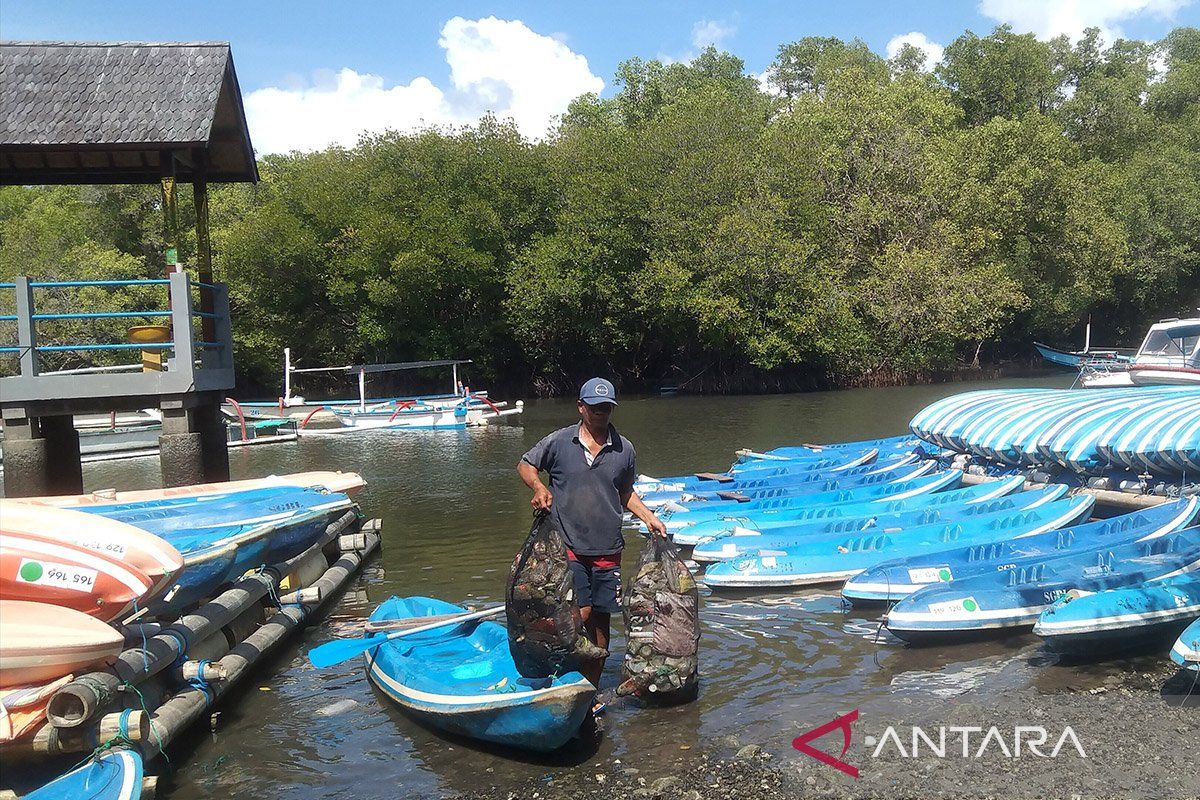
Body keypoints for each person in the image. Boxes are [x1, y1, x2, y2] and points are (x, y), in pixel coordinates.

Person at [517, 377, 668, 691]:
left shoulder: (624, 449)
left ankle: (591, 690)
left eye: (606, 407)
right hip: (565, 546)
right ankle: (558, 671)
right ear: (581, 407)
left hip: (607, 548)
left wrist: (648, 516)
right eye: (595, 407)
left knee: (601, 618)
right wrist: (539, 485)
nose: (600, 412)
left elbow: (625, 492)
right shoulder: (559, 442)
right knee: (578, 611)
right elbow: (526, 464)